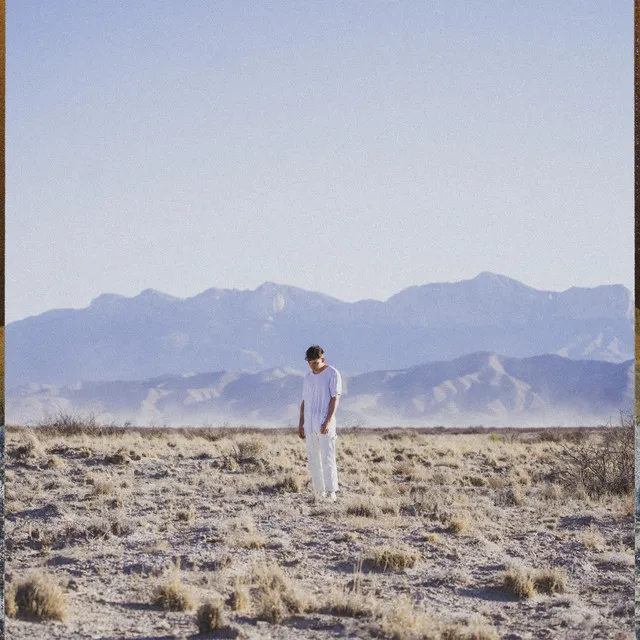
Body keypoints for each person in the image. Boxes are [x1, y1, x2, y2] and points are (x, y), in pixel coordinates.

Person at [298, 345, 342, 501]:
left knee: (327, 456)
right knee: (313, 458)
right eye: (310, 362)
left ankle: (331, 492)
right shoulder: (308, 377)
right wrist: (301, 423)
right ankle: (319, 492)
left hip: (324, 422)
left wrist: (328, 421)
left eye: (315, 362)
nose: (312, 366)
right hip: (309, 424)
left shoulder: (332, 374)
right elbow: (304, 401)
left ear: (322, 359)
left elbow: (335, 398)